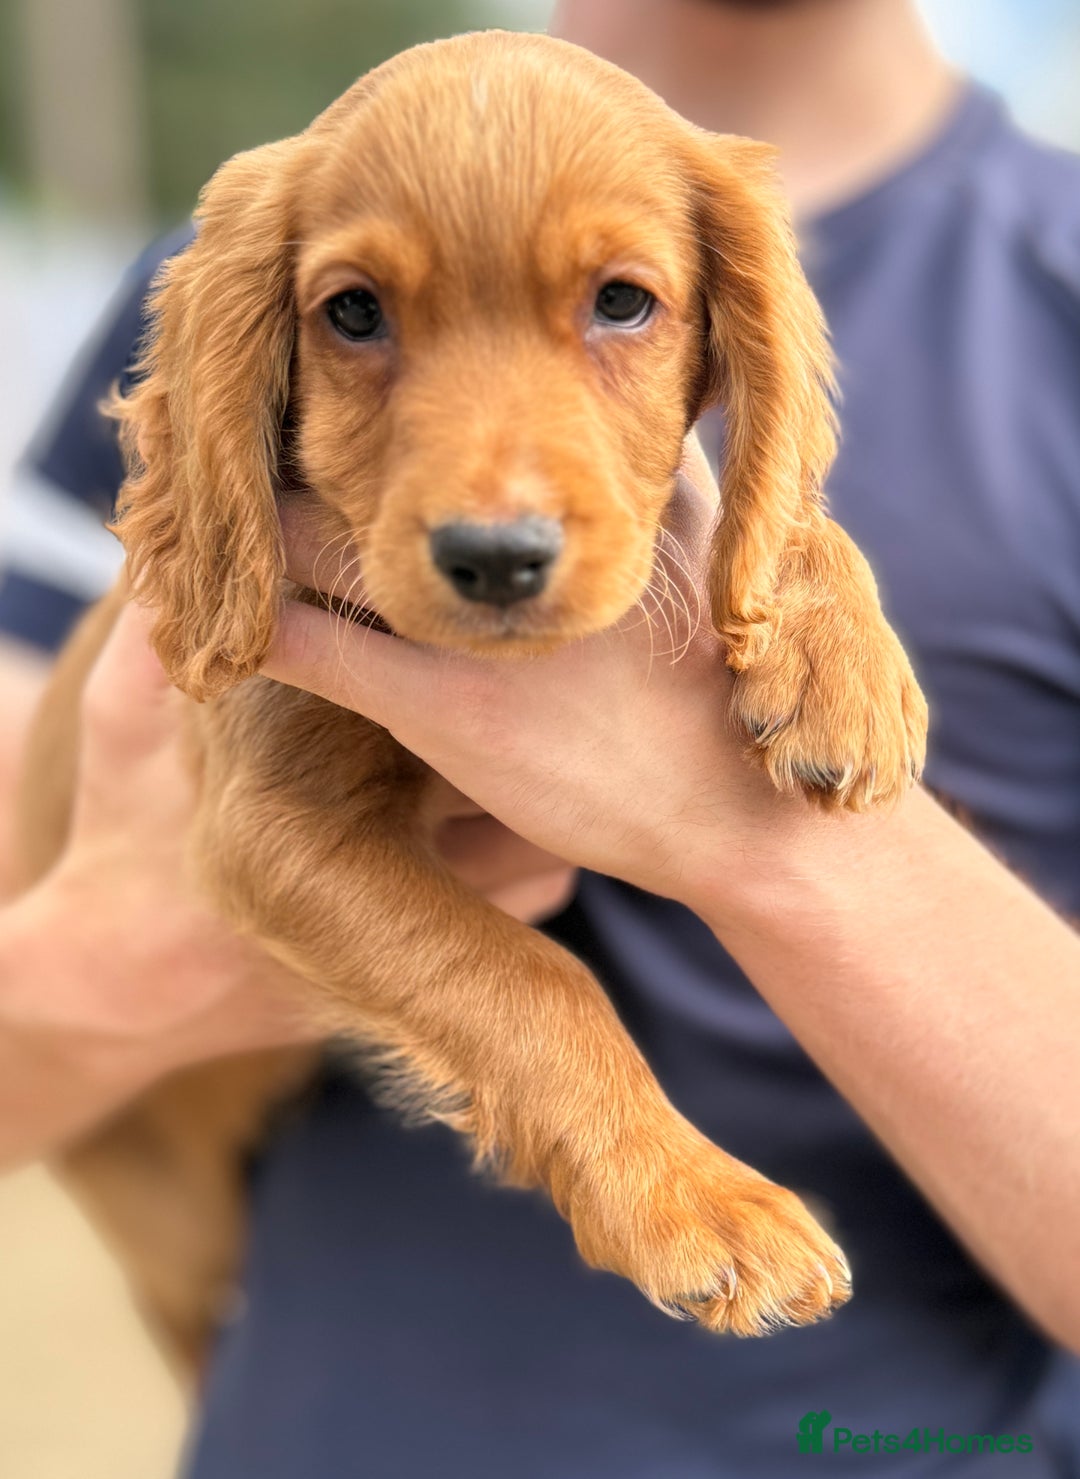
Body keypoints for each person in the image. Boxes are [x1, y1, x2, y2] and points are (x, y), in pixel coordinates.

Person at [1, 0, 1079, 1472]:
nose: (494, 504)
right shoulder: (212, 277)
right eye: (360, 316)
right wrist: (106, 965)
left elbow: (758, 512)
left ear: (727, 341)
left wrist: (765, 774)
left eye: (619, 304)